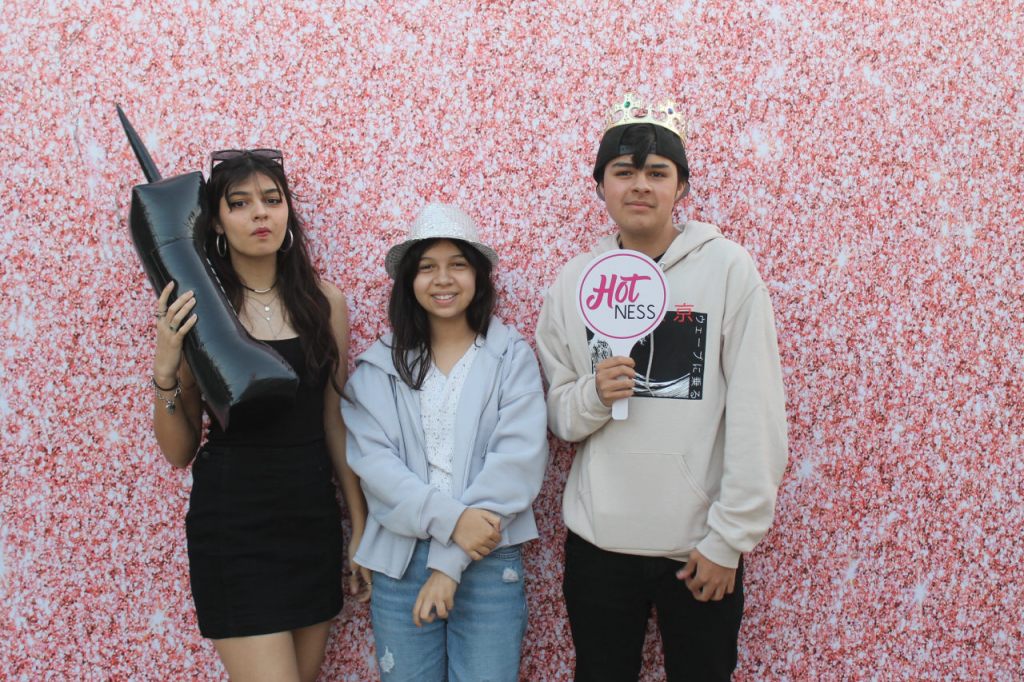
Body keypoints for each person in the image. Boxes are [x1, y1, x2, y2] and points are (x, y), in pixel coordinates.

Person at [535, 95, 789, 681]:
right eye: (624, 171)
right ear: (601, 185)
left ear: (682, 187)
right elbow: (561, 416)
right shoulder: (574, 282)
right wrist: (594, 395)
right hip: (599, 547)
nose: (640, 185)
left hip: (698, 549)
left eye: (657, 172)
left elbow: (757, 413)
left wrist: (729, 539)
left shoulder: (728, 270)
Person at [150, 149, 371, 682]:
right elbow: (179, 451)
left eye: (272, 200)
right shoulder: (201, 307)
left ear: (288, 211)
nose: (259, 213)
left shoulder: (325, 303)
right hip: (235, 525)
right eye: (240, 203)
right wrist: (165, 369)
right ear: (215, 222)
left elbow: (334, 420)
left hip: (311, 521)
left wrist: (360, 525)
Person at [342, 202, 549, 681]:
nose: (443, 279)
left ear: (477, 276)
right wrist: (454, 523)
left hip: (487, 553)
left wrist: (450, 562)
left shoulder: (510, 357)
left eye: (457, 264)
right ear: (408, 281)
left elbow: (516, 462)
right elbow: (376, 469)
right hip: (400, 558)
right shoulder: (378, 368)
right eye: (426, 267)